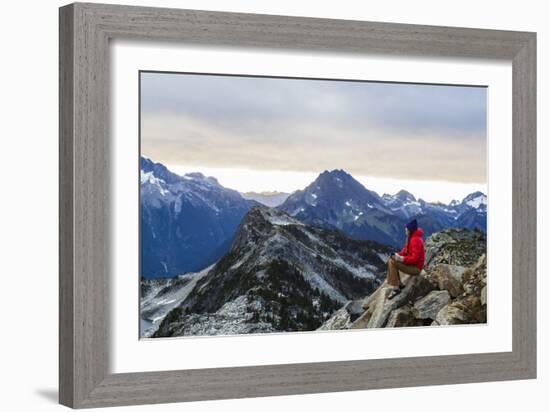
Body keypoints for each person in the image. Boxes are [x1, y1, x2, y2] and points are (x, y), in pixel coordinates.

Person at [386, 218, 425, 300]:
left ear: (410, 230)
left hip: (416, 268)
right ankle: (398, 284)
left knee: (393, 262)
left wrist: (400, 258)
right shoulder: (410, 238)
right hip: (412, 265)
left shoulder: (416, 240)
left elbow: (415, 259)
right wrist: (396, 255)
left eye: (406, 229)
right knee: (391, 259)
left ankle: (396, 288)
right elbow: (405, 250)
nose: (405, 231)